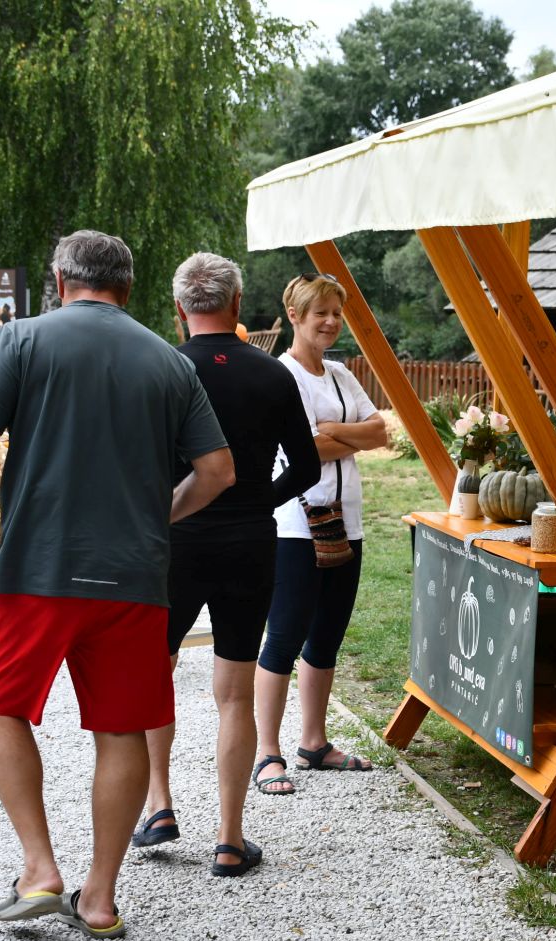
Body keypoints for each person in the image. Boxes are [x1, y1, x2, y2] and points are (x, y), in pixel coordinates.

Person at [0, 231, 233, 938]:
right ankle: (99, 899)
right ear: (129, 290)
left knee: (4, 706)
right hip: (133, 576)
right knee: (122, 727)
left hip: (36, 567)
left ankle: (39, 869)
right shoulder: (168, 362)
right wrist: (157, 515)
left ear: (63, 281)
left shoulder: (22, 341)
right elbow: (219, 470)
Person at [131, 254, 320, 875]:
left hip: (174, 543)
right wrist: (254, 502)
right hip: (248, 544)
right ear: (237, 304)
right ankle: (230, 840)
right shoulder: (270, 373)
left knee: (155, 677)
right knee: (235, 695)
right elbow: (308, 467)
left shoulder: (161, 369)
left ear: (179, 308)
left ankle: (159, 805)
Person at [252, 273, 387, 796]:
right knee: (284, 636)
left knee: (326, 636)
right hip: (294, 524)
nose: (330, 322)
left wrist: (332, 433)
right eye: (320, 314)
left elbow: (380, 431)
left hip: (345, 521)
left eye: (336, 312)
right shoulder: (280, 376)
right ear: (295, 316)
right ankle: (267, 752)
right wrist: (332, 439)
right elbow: (308, 453)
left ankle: (313, 741)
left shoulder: (340, 375)